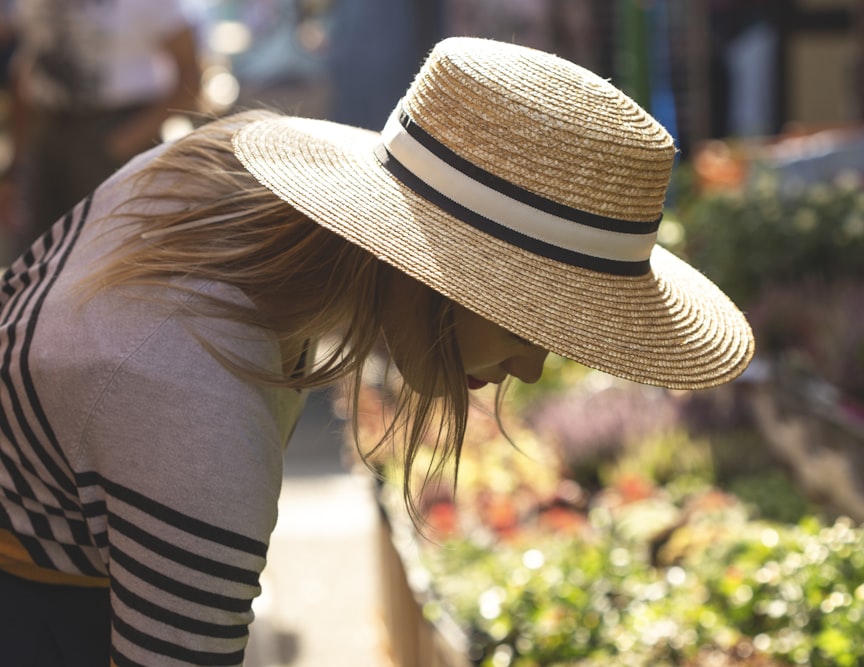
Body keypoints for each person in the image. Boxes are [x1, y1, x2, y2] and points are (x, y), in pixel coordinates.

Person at [0, 37, 754, 666]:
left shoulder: (215, 175)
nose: (530, 367)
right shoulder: (192, 412)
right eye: (531, 323)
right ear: (446, 275)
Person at [0, 0, 202, 261]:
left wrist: (123, 142)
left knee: (112, 255)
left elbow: (191, 80)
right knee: (39, 252)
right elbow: (25, 70)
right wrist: (16, 165)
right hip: (47, 130)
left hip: (116, 129)